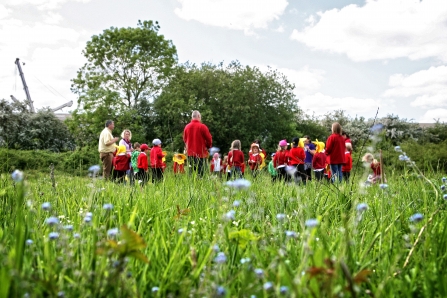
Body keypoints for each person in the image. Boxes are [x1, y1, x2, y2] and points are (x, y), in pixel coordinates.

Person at [183, 110, 213, 177]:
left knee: (191, 175)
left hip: (190, 154)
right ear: (199, 116)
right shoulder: (202, 127)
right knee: (202, 175)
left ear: (192, 117)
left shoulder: (186, 127)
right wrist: (208, 147)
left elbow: (185, 140)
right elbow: (209, 139)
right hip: (201, 155)